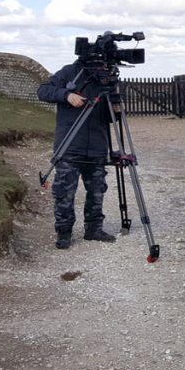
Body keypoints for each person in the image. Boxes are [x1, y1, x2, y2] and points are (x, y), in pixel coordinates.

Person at [37, 59, 118, 249]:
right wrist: (66, 95)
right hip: (70, 145)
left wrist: (116, 109)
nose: (101, 65)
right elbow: (42, 91)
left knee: (97, 190)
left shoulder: (107, 79)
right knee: (64, 192)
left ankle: (94, 229)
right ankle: (64, 232)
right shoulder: (69, 72)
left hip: (97, 145)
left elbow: (111, 117)